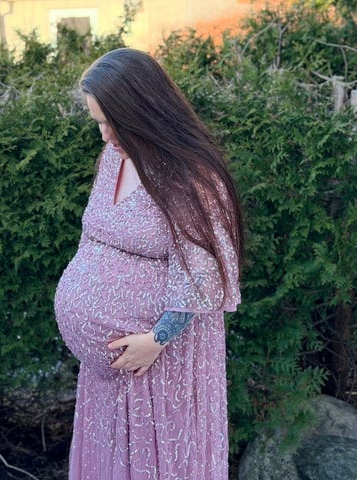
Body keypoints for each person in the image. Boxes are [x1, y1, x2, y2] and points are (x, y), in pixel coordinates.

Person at [55, 48, 243, 480]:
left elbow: (202, 274)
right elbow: (95, 233)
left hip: (157, 360)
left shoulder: (192, 178)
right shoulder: (114, 159)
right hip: (105, 373)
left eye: (111, 122)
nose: (105, 136)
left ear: (142, 112)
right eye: (98, 122)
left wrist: (156, 339)